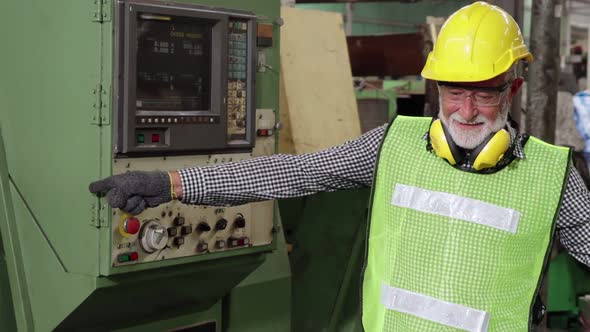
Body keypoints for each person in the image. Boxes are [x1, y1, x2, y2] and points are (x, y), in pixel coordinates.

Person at [90, 2, 590, 331]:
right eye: (453, 92)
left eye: (483, 94)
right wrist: (173, 181)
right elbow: (290, 172)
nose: (464, 111)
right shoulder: (392, 145)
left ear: (513, 91)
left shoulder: (552, 178)